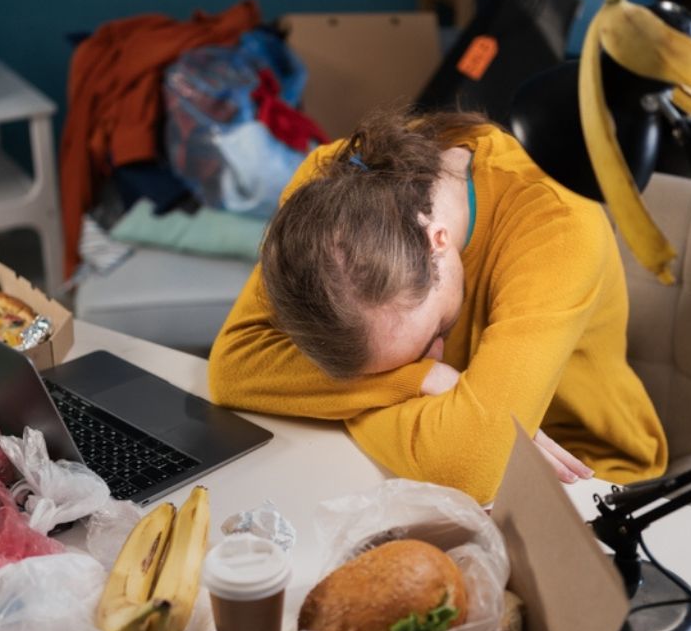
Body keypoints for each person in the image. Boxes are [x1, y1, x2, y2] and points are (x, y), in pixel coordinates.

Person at [207, 109, 667, 503]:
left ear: (437, 242)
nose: (437, 358)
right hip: (429, 456)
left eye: (431, 337)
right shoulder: (327, 190)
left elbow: (466, 469)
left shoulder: (559, 224)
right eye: (374, 373)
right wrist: (420, 380)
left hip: (580, 474)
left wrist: (333, 394)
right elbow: (234, 367)